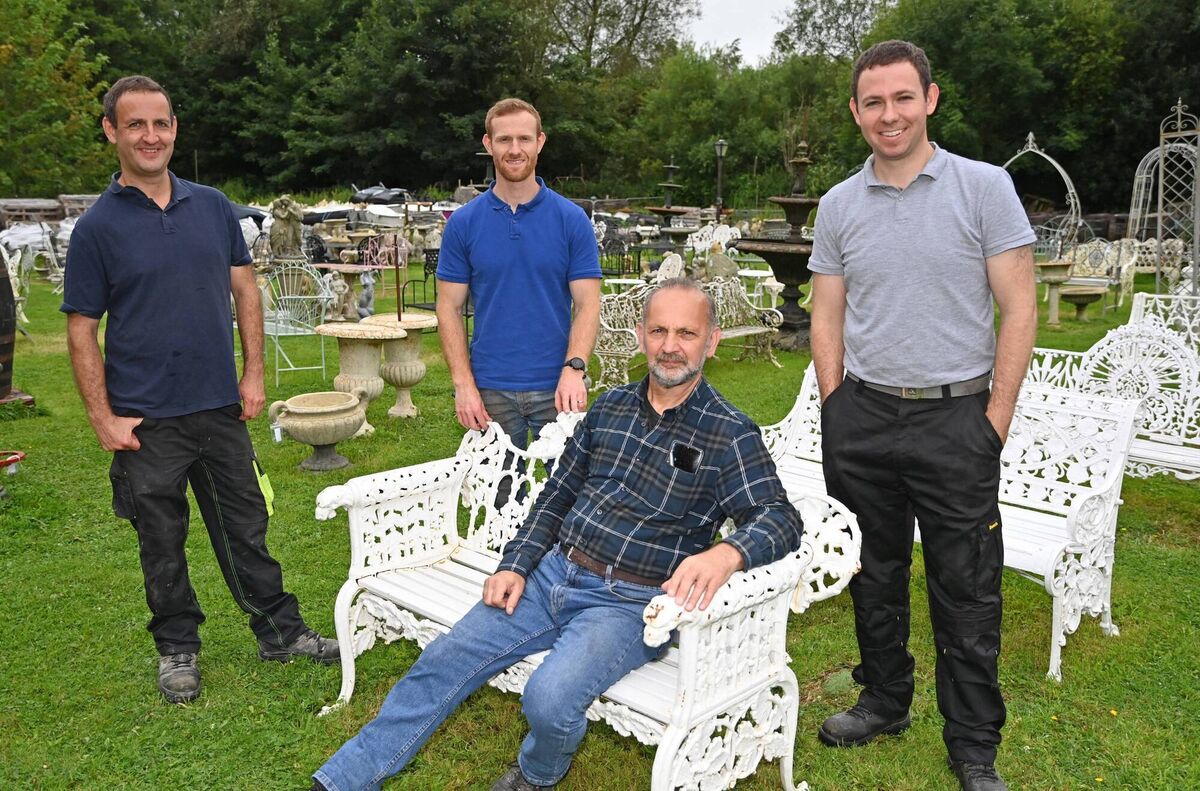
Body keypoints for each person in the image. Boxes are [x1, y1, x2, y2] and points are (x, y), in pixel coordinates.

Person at [312, 279, 804, 791]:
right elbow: (556, 497)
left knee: (548, 699)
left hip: (628, 605)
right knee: (443, 658)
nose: (670, 345)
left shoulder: (728, 431)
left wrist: (726, 554)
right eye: (658, 330)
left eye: (686, 332)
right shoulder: (608, 409)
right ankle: (346, 778)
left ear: (712, 340)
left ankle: (536, 774)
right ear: (640, 335)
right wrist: (515, 564)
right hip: (552, 575)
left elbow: (780, 518)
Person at [62, 75, 338, 706]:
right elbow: (82, 332)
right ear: (112, 131)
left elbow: (245, 291)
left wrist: (254, 373)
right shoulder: (97, 229)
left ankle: (280, 632)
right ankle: (177, 649)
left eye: (160, 123)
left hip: (218, 407)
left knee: (247, 526)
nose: (150, 136)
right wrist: (103, 418)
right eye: (135, 125)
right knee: (161, 540)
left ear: (174, 129)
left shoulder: (215, 207)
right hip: (145, 419)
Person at [807, 41, 1036, 791]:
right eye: (873, 102)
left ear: (930, 99)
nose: (889, 115)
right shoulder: (839, 203)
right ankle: (883, 699)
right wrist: (835, 405)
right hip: (864, 416)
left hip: (957, 416)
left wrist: (992, 420)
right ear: (855, 112)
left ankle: (973, 745)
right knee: (872, 572)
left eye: (903, 98)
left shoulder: (984, 187)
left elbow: (1020, 307)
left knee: (965, 587)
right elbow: (828, 313)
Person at [436, 98, 601, 461]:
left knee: (569, 502)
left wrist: (575, 368)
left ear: (540, 142)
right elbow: (448, 307)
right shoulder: (463, 224)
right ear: (488, 144)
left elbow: (588, 303)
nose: (515, 149)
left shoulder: (571, 220)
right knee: (499, 504)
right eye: (504, 140)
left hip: (558, 385)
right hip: (490, 388)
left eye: (524, 139)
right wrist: (463, 385)